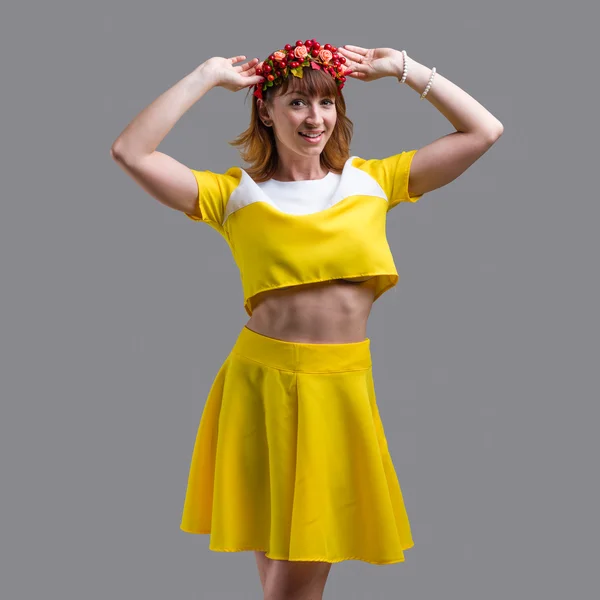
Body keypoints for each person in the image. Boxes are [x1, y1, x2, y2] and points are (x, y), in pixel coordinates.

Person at [111, 39, 503, 600]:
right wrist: (205, 75)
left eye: (326, 103)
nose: (314, 118)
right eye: (296, 102)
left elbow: (484, 132)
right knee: (285, 581)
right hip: (258, 384)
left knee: (292, 581)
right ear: (265, 111)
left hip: (340, 389)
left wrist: (406, 70)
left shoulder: (375, 181)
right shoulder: (233, 196)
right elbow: (131, 151)